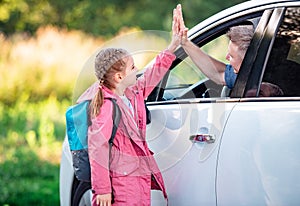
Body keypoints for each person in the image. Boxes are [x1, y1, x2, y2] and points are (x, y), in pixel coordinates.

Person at [76, 4, 184, 206]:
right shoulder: (106, 105)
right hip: (120, 185)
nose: (137, 70)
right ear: (119, 76)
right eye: (133, 67)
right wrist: (102, 190)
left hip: (136, 179)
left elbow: (153, 73)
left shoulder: (132, 92)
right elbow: (97, 148)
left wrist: (172, 46)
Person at [177, 6, 254, 90]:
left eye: (232, 56)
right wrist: (185, 43)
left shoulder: (254, 84)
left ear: (247, 60)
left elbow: (219, 74)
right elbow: (218, 73)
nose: (227, 57)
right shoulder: (248, 76)